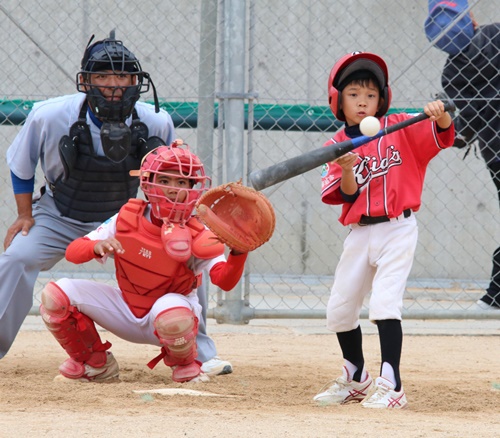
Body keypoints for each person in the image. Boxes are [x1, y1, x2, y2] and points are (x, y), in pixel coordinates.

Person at [0, 32, 231, 375]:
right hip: (59, 215)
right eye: (103, 75)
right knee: (17, 256)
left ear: (135, 81)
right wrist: (24, 215)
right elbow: (21, 164)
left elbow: (168, 178)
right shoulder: (49, 115)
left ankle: (198, 352)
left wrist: (171, 228)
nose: (113, 84)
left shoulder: (155, 120)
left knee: (190, 258)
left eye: (122, 76)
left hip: (123, 222)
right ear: (87, 80)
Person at [313, 51, 454, 409]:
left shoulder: (403, 127)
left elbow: (442, 134)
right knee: (340, 308)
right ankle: (356, 377)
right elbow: (344, 194)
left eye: (371, 95)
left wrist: (441, 115)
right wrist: (347, 168)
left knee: (385, 303)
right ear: (338, 100)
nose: (363, 102)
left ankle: (392, 385)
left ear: (383, 100)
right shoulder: (335, 146)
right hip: (360, 232)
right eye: (354, 95)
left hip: (398, 228)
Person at [40, 142, 248, 382]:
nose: (173, 189)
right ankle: (96, 364)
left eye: (181, 182)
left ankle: (185, 365)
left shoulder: (199, 232)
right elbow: (73, 252)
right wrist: (95, 246)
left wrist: (238, 253)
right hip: (126, 308)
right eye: (165, 180)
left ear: (193, 188)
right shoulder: (127, 217)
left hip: (170, 318)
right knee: (56, 296)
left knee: (172, 314)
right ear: (148, 183)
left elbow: (224, 281)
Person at [425, 1, 500, 309]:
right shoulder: (496, 35)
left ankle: (495, 295)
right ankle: (496, 295)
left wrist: (446, 117)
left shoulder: (453, 72)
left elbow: (462, 134)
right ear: (470, 17)